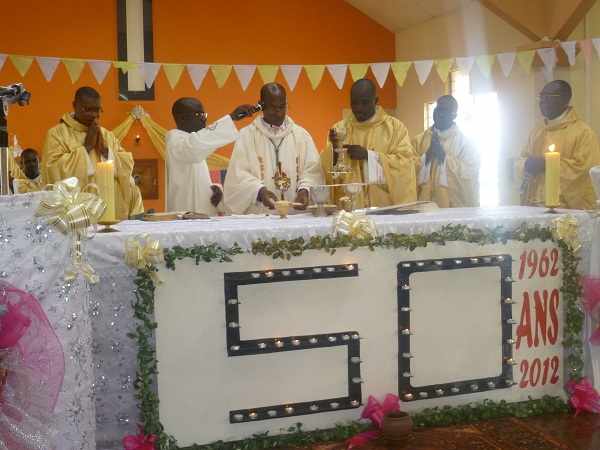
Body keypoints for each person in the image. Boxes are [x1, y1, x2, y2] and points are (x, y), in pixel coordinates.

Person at [42, 86, 144, 219]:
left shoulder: (106, 135)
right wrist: (86, 148)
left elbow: (127, 165)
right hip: (77, 215)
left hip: (110, 209)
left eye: (98, 110)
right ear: (75, 106)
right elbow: (52, 171)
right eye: (89, 109)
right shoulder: (57, 134)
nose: (95, 115)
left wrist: (106, 152)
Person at [224, 83, 324, 214]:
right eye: (273, 107)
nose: (278, 112)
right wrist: (259, 191)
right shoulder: (246, 136)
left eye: (282, 107)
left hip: (295, 215)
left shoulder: (301, 136)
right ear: (261, 105)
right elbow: (238, 176)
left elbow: (313, 171)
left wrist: (304, 190)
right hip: (261, 215)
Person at [320, 78, 417, 208]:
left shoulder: (395, 128)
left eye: (364, 103)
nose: (358, 108)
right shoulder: (339, 129)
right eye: (354, 103)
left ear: (375, 101)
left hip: (384, 208)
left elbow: (406, 165)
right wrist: (335, 150)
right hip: (350, 210)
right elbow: (328, 173)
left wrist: (368, 156)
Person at [166, 97, 257, 215]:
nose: (204, 119)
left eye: (204, 114)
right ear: (182, 118)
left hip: (203, 213)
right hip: (184, 213)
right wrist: (232, 117)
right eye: (199, 114)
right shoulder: (175, 140)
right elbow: (194, 147)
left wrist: (215, 189)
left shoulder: (194, 141)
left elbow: (196, 180)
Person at [520, 80, 600, 209]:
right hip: (534, 206)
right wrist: (526, 164)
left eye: (548, 97)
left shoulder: (583, 132)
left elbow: (585, 172)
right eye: (541, 97)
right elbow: (523, 158)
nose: (542, 102)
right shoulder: (537, 131)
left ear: (564, 100)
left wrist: (548, 164)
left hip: (566, 209)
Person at [412, 95, 479, 207]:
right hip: (423, 206)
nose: (440, 114)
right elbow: (406, 169)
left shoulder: (465, 144)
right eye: (438, 109)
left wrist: (443, 157)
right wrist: (426, 157)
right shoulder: (418, 140)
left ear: (454, 116)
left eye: (445, 110)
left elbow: (470, 173)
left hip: (452, 208)